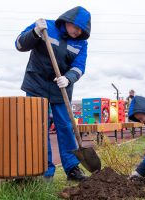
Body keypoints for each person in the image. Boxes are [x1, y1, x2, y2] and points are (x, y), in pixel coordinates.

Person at [15, 6, 91, 181]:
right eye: (76, 27)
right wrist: (34, 32)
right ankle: (44, 170)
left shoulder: (81, 43)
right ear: (67, 21)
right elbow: (19, 44)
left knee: (65, 126)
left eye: (82, 30)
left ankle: (72, 169)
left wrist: (69, 78)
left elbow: (79, 67)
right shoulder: (45, 27)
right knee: (38, 127)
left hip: (61, 87)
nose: (78, 32)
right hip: (36, 84)